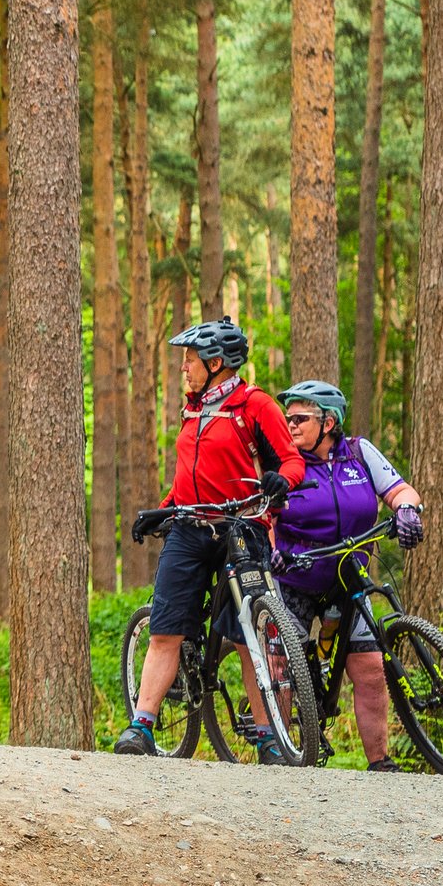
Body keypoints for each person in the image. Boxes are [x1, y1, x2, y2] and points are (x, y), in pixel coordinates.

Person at [115, 317, 306, 761]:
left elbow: (292, 461)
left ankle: (268, 737)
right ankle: (141, 726)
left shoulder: (255, 405)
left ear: (216, 362)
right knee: (166, 629)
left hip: (243, 526)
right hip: (189, 527)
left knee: (248, 635)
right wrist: (163, 508)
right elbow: (191, 477)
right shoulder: (195, 407)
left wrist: (281, 482)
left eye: (190, 359)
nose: (184, 367)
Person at [270, 379, 425, 772]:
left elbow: (401, 489)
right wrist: (273, 552)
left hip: (349, 578)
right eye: (288, 417)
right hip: (296, 579)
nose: (291, 424)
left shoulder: (358, 452)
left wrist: (406, 511)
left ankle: (380, 762)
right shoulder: (285, 461)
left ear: (329, 422)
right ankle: (283, 754)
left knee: (371, 669)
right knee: (283, 667)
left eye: (301, 418)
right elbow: (265, 513)